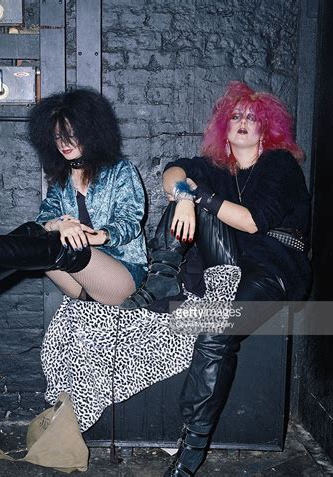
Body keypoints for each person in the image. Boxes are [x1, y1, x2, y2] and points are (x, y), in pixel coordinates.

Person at [121, 81, 311, 476]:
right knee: (187, 191)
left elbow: (253, 220)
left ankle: (192, 444)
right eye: (236, 116)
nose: (243, 123)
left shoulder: (280, 165)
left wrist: (197, 196)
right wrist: (184, 195)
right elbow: (173, 171)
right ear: (224, 126)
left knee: (214, 329)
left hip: (274, 265)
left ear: (267, 130)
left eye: (253, 118)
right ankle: (163, 277)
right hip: (230, 261)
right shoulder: (215, 168)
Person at [0, 88, 147, 306]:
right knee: (35, 231)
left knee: (63, 245)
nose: (64, 143)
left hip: (122, 275)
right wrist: (60, 225)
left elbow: (130, 221)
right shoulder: (62, 178)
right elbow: (44, 218)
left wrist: (94, 237)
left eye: (70, 135)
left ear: (90, 133)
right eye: (57, 136)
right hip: (79, 280)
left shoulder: (120, 170)